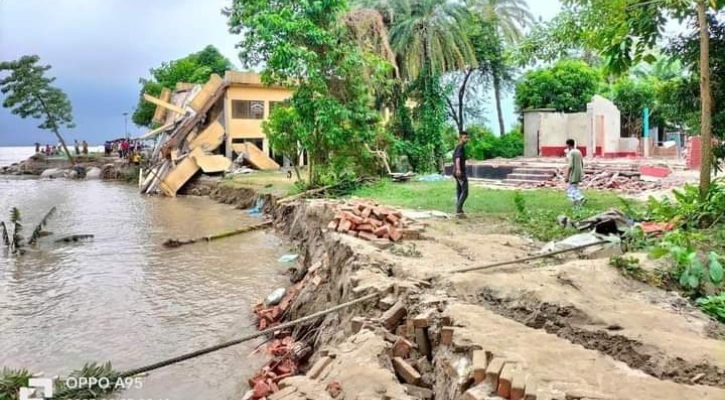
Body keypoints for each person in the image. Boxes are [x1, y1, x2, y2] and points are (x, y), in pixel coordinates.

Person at [563, 139, 586, 205]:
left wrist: (567, 176)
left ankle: (580, 198)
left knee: (571, 188)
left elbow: (570, 165)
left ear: (568, 145)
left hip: (573, 173)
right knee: (574, 187)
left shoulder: (571, 153)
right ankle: (574, 201)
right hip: (579, 172)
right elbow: (582, 162)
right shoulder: (578, 151)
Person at [453, 131, 469, 217]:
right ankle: (458, 210)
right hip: (460, 173)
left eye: (467, 137)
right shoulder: (460, 147)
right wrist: (458, 170)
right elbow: (457, 159)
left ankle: (460, 210)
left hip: (456, 172)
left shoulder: (457, 147)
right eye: (465, 137)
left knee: (459, 191)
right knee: (465, 192)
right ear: (460, 138)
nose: (466, 139)